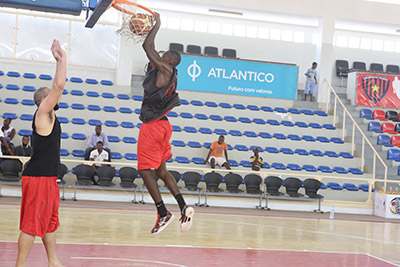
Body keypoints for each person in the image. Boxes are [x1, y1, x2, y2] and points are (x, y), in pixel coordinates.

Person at [137, 13, 194, 234]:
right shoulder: (167, 71)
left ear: (169, 60)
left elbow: (146, 45)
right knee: (161, 171)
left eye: (163, 55)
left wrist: (157, 24)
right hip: (164, 125)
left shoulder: (165, 69)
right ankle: (183, 206)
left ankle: (163, 213)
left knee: (144, 169)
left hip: (152, 127)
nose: (158, 55)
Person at [16, 39, 66, 267]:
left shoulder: (50, 115)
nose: (56, 96)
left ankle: (53, 261)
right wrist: (62, 59)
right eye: (50, 95)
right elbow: (58, 87)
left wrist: (57, 62)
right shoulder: (41, 114)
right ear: (44, 101)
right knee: (31, 225)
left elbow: (56, 87)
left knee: (49, 223)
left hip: (47, 178)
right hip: (38, 179)